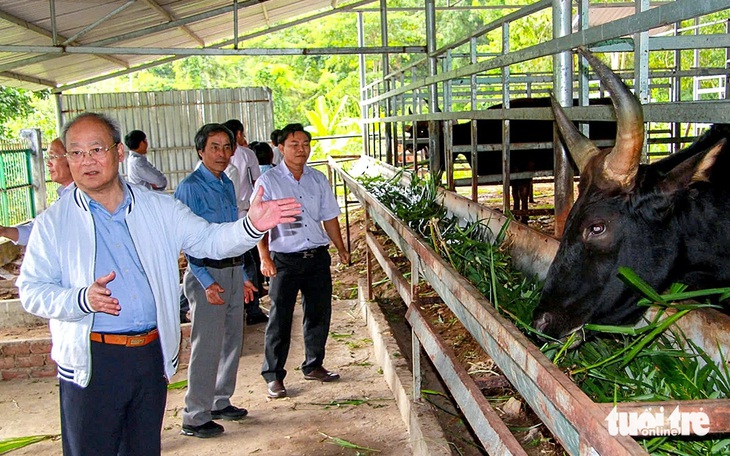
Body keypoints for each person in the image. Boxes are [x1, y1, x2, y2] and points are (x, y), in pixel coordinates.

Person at [16, 112, 301, 455]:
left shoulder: (158, 208)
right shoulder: (53, 223)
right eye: (75, 153)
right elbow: (31, 291)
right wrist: (80, 299)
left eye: (96, 149)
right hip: (92, 359)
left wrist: (251, 226)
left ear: (119, 153)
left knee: (143, 448)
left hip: (149, 355)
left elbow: (209, 240)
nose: (86, 161)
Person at [255, 123, 350, 399]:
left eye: (306, 144)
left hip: (316, 257)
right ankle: (273, 376)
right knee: (280, 318)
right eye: (294, 144)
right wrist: (264, 257)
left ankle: (314, 364)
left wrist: (341, 248)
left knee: (319, 313)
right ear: (280, 147)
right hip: (284, 260)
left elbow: (329, 216)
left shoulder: (318, 179)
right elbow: (258, 223)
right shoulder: (268, 182)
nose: (301, 149)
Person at [174, 123, 257, 439]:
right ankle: (194, 416)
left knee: (233, 339)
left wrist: (244, 274)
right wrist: (207, 282)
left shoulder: (226, 181)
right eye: (214, 147)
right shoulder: (190, 187)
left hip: (233, 270)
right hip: (206, 274)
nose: (222, 154)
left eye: (226, 147)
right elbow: (188, 242)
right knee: (206, 346)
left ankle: (220, 401)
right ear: (200, 150)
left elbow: (233, 230)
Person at [222, 119, 268, 325]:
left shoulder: (216, 161)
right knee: (248, 262)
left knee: (235, 261)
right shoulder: (247, 154)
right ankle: (253, 308)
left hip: (226, 221)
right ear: (239, 134)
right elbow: (257, 183)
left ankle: (241, 305)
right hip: (245, 216)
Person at [0, 138, 74, 245]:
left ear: (74, 158)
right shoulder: (64, 195)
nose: (48, 163)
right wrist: (4, 231)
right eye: (48, 157)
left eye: (53, 157)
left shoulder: (83, 197)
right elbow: (38, 231)